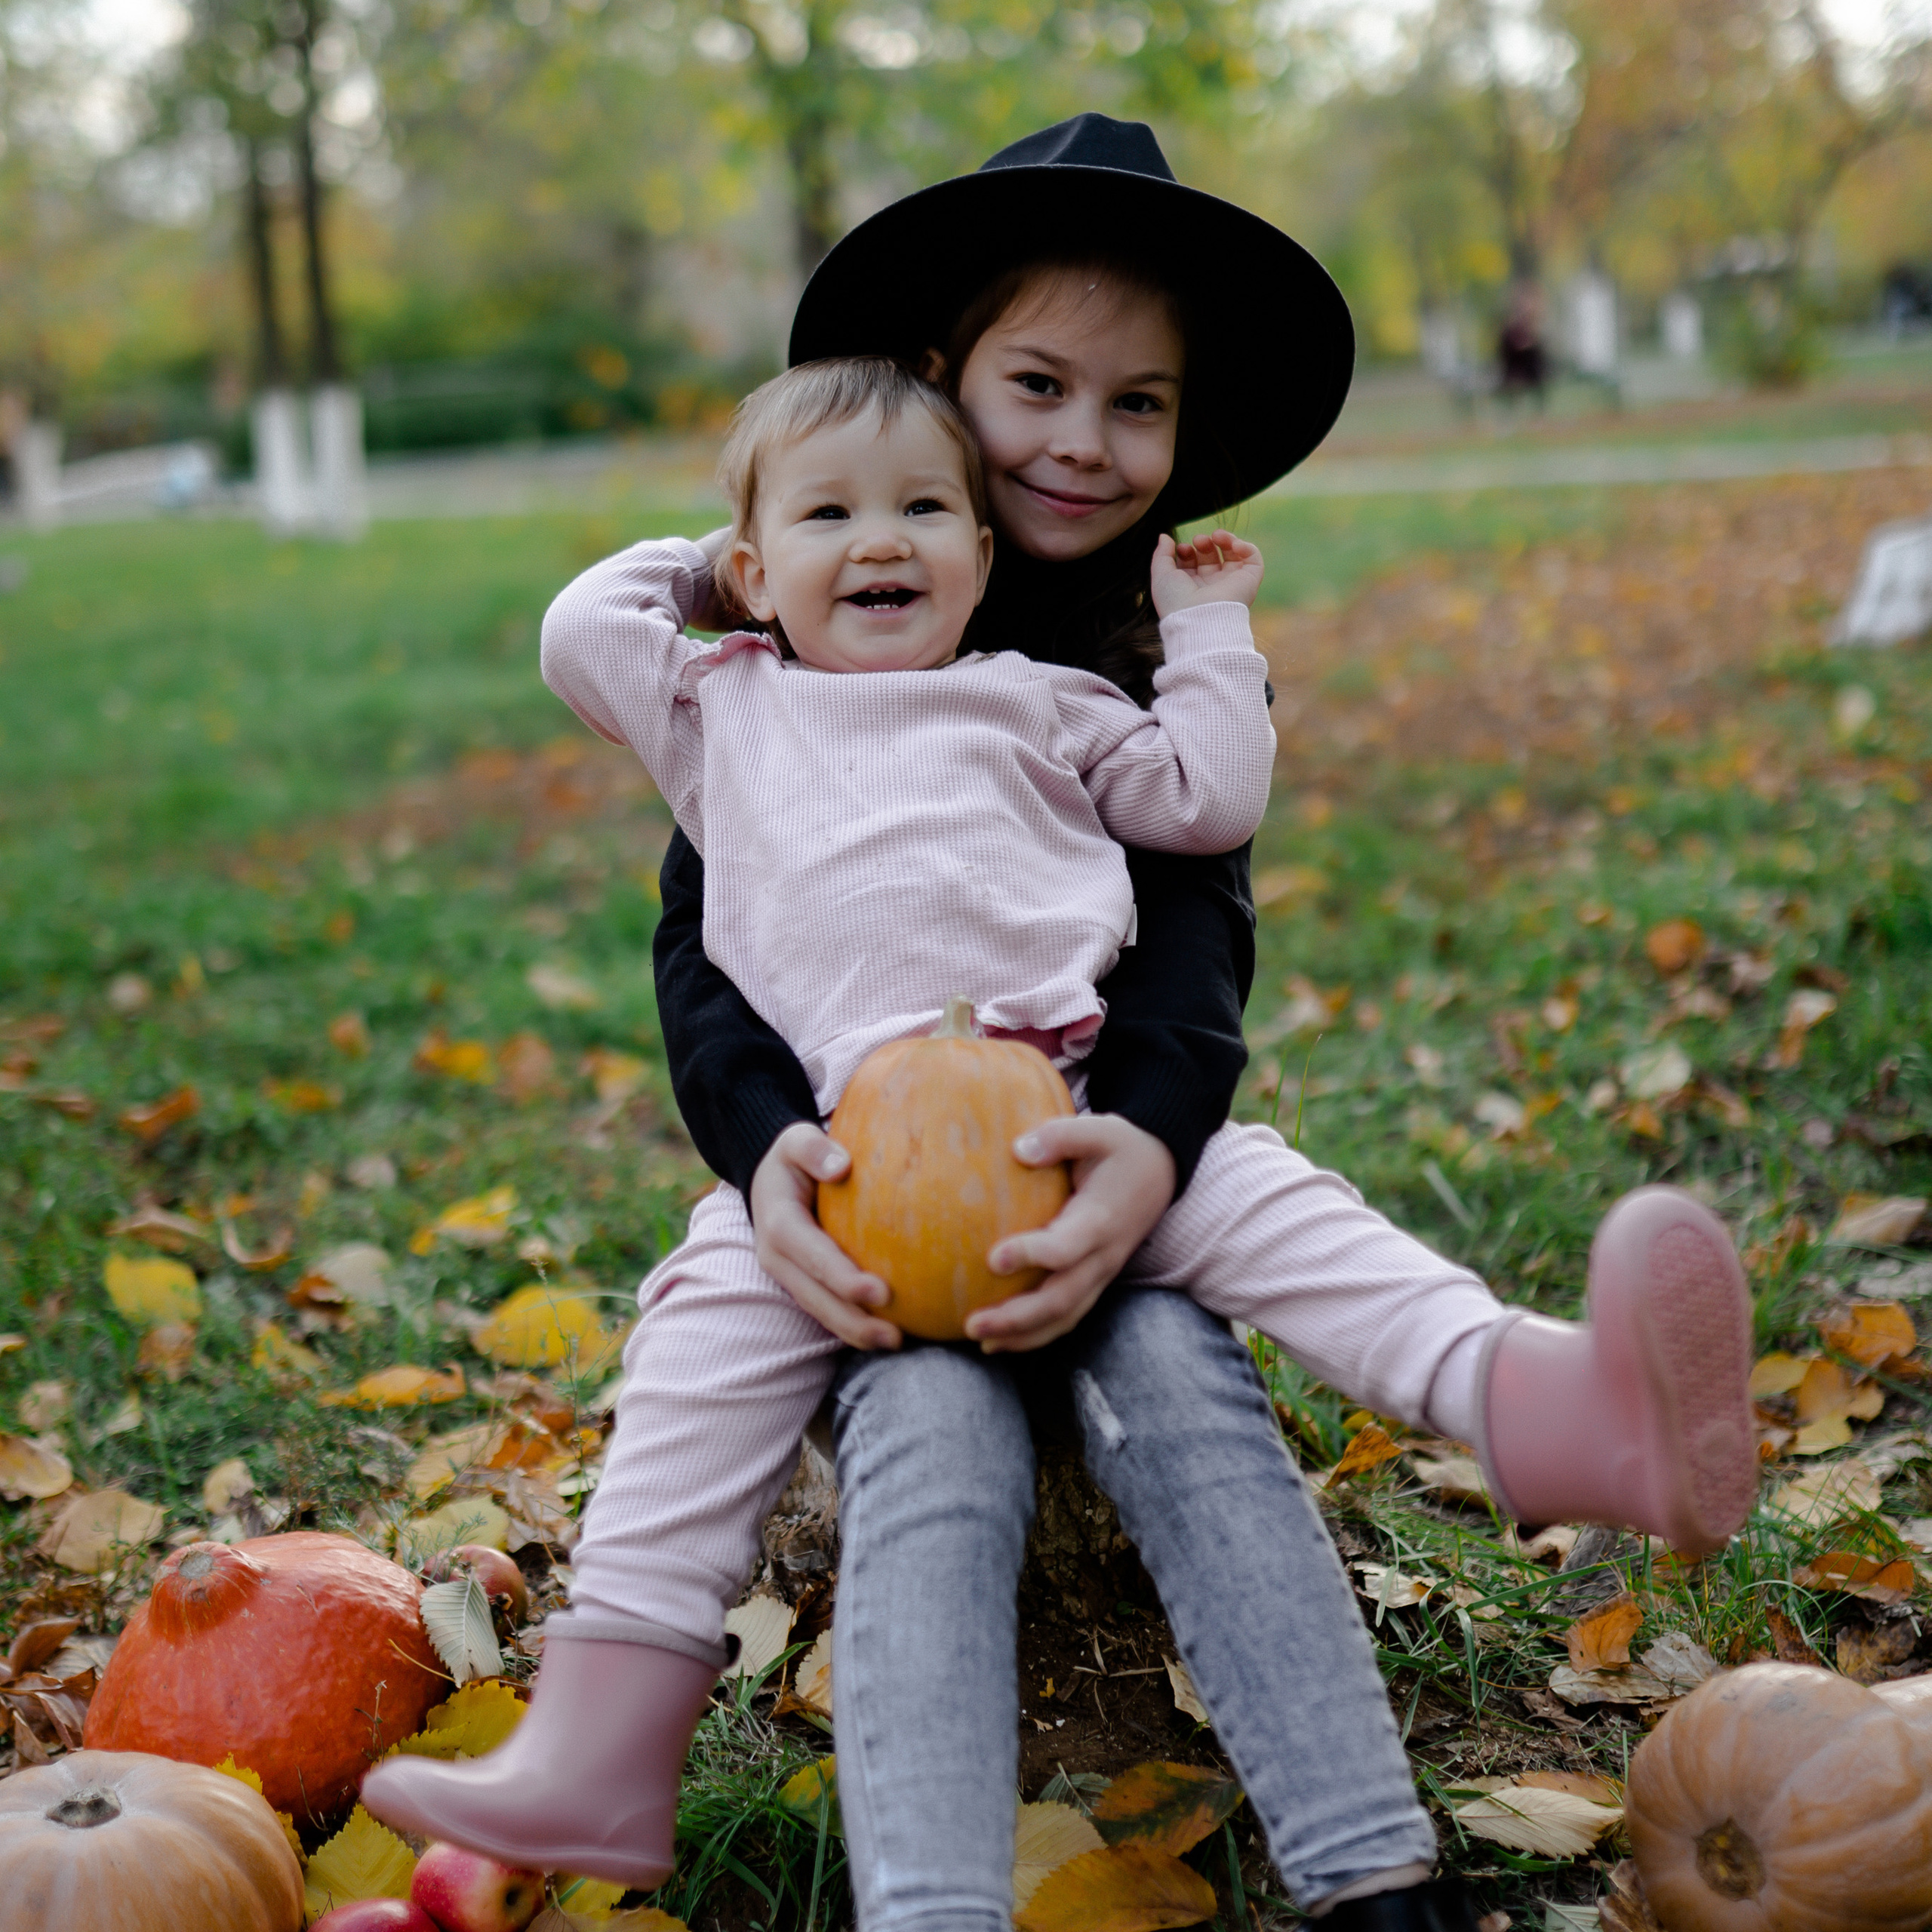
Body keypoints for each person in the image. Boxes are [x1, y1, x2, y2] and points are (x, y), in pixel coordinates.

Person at [364, 119, 1755, 1930]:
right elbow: (703, 935)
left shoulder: (1091, 673)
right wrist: (760, 1150)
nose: (1080, 442)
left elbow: (1198, 900)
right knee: (865, 1404)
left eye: (1138, 405)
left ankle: (1512, 1490)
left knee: (1209, 1323)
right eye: (1033, 385)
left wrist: (1147, 1143)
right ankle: (734, 1804)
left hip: (1088, 1128)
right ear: (945, 382)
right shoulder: (771, 673)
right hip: (849, 1172)